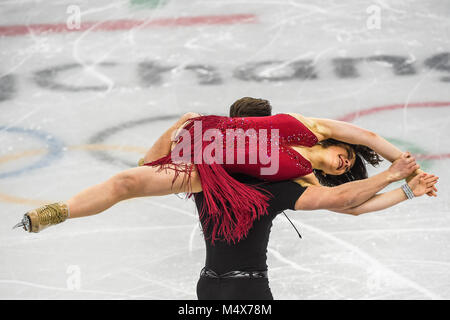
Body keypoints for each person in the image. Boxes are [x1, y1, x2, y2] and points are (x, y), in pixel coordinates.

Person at [13, 98, 438, 245]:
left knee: (132, 179)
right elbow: (366, 132)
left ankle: (57, 214)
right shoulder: (315, 126)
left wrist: (407, 188)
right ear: (339, 144)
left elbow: (355, 208)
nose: (347, 161)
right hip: (204, 139)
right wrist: (405, 160)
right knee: (128, 179)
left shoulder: (303, 179)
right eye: (350, 154)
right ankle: (55, 212)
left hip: (211, 172)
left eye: (348, 168)